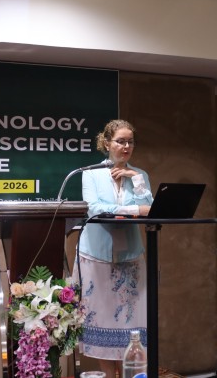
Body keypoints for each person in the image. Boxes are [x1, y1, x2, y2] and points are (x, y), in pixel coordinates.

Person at [76, 119, 152, 376]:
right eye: (121, 141)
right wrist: (134, 210)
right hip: (96, 257)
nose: (126, 146)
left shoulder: (139, 175)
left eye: (130, 142)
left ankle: (128, 374)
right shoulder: (91, 174)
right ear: (107, 143)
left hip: (131, 256)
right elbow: (94, 209)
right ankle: (109, 375)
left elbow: (151, 209)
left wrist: (135, 179)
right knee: (102, 320)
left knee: (129, 325)